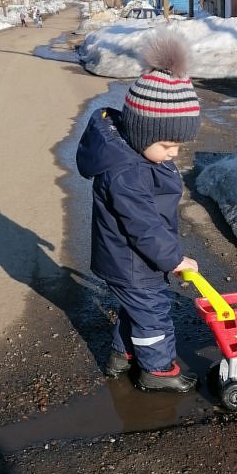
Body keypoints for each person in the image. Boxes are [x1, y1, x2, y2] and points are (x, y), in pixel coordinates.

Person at [76, 27, 201, 393]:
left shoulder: (136, 155)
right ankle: (157, 370)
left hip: (129, 258)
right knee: (154, 315)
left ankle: (121, 354)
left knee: (137, 308)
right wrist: (174, 258)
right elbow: (143, 226)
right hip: (133, 261)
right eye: (166, 144)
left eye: (178, 144)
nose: (174, 153)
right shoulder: (127, 173)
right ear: (140, 132)